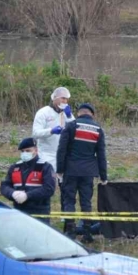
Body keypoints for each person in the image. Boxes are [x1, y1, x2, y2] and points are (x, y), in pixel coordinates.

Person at [56, 103, 107, 243]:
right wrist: (104, 176)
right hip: (88, 172)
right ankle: (87, 234)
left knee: (69, 201)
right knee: (86, 203)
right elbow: (101, 155)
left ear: (78, 113)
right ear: (92, 114)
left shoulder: (71, 125)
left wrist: (59, 170)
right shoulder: (98, 129)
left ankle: (71, 233)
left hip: (70, 170)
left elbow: (62, 150)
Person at [0, 138, 57, 218]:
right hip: (18, 210)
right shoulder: (15, 167)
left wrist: (27, 195)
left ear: (36, 150)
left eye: (28, 151)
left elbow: (49, 188)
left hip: (39, 211)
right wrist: (12, 193)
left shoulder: (45, 167)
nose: (24, 153)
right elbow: (4, 186)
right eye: (22, 151)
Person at [32, 86, 74, 170]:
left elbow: (75, 131)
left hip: (63, 154)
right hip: (46, 154)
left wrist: (69, 117)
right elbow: (35, 133)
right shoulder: (43, 112)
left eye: (66, 99)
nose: (64, 101)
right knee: (49, 179)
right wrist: (51, 131)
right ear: (54, 98)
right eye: (62, 98)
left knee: (62, 181)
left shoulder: (66, 114)